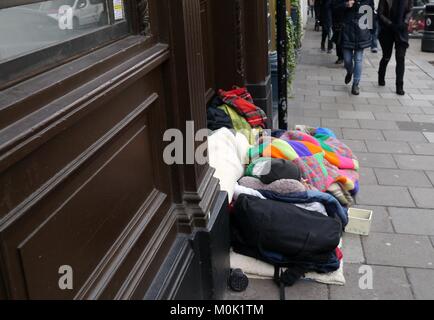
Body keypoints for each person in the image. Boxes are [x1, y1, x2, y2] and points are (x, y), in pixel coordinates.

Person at [378, 0, 413, 95]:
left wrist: (405, 22)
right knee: (386, 56)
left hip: (401, 30)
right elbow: (380, 14)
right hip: (387, 30)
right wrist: (390, 24)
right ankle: (381, 75)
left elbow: (410, 10)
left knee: (400, 58)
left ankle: (399, 85)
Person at [339, 0, 374, 95]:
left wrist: (370, 32)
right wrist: (346, 4)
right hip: (347, 32)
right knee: (347, 60)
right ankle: (350, 71)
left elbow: (371, 14)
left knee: (358, 59)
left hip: (361, 33)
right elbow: (335, 8)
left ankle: (355, 84)